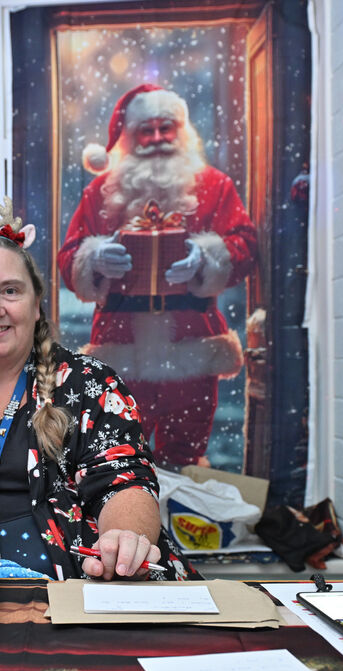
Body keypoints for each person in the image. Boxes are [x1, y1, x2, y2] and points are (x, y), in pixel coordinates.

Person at [0, 209, 187, 581]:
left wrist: (123, 542)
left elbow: (124, 479)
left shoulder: (89, 382)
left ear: (36, 303)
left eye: (10, 291)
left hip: (83, 594)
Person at [58, 83, 258, 468]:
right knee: (117, 457)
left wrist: (207, 256)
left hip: (192, 343)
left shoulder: (215, 186)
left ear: (182, 131)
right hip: (120, 345)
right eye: (145, 131)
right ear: (129, 138)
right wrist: (94, 259)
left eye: (166, 128)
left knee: (185, 459)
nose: (157, 139)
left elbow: (245, 244)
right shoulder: (100, 192)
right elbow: (68, 258)